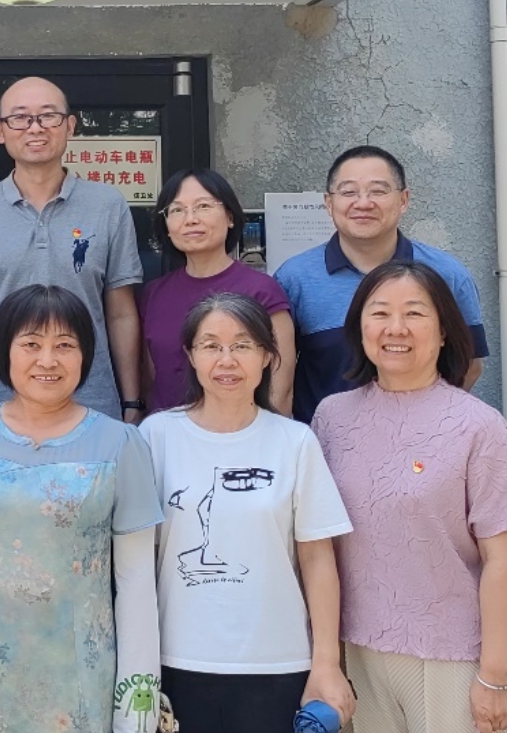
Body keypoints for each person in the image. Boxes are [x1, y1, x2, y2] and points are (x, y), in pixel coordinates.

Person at [0, 284, 162, 733]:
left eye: (65, 345)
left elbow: (134, 579)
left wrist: (137, 706)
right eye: (31, 344)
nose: (47, 360)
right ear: (3, 351)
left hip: (78, 672)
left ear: (86, 355)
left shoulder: (120, 443)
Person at [310, 261, 507, 733]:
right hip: (357, 649)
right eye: (379, 313)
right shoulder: (331, 419)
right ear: (359, 326)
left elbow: (506, 558)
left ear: (445, 330)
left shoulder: (479, 426)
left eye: (414, 313)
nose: (396, 328)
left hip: (453, 655)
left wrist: (496, 675)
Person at [139, 292, 355, 732]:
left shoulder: (294, 441)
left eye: (242, 345)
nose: (227, 360)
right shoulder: (156, 436)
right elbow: (137, 560)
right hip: (175, 658)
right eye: (211, 346)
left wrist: (326, 663)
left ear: (268, 356)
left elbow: (318, 559)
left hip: (277, 661)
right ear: (190, 356)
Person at [0, 76, 145, 422]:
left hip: (91, 402)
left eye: (48, 116)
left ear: (70, 126)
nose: (35, 128)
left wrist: (131, 402)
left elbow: (121, 313)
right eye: (20, 117)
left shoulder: (107, 205)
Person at [275, 145, 489, 423]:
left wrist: (426, 424)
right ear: (328, 203)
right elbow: (277, 377)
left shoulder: (448, 274)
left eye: (378, 191)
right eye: (349, 192)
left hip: (420, 439)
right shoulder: (294, 278)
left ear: (404, 200)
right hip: (325, 443)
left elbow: (469, 364)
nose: (363, 203)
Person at [141, 168, 296, 414]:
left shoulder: (262, 291)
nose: (190, 219)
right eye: (177, 210)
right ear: (167, 226)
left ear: (230, 217)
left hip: (244, 432)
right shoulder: (154, 294)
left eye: (203, 206)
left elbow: (280, 390)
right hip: (168, 433)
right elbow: (151, 381)